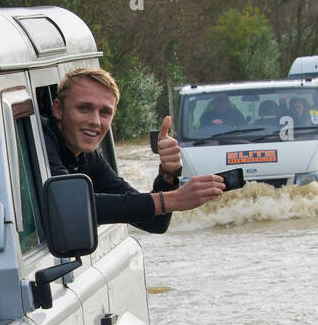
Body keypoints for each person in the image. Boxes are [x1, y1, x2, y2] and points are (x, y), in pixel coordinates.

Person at [43, 67, 222, 233]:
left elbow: (154, 223)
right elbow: (71, 205)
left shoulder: (88, 157)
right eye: (84, 108)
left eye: (105, 113)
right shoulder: (41, 140)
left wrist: (168, 176)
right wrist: (174, 199)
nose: (95, 122)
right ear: (58, 109)